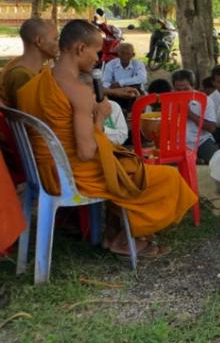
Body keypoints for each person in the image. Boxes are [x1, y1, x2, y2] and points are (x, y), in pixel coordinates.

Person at [17, 19, 196, 256]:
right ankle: (124, 238)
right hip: (72, 175)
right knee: (168, 176)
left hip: (44, 171)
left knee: (124, 163)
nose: (98, 59)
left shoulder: (35, 83)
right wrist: (99, 117)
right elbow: (86, 152)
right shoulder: (79, 92)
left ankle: (112, 233)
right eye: (96, 52)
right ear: (80, 48)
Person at [0, 17, 59, 108]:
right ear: (39, 41)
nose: (59, 44)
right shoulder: (20, 75)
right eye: (55, 39)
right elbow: (32, 112)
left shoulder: (28, 66)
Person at [171, 70, 218, 164]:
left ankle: (195, 159)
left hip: (201, 142)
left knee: (216, 163)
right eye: (178, 90)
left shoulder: (205, 100)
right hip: (176, 144)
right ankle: (195, 160)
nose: (182, 93)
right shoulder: (169, 101)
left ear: (193, 87)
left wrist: (189, 114)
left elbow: (212, 128)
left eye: (186, 89)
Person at [101, 43, 147, 111]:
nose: (124, 56)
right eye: (122, 53)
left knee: (135, 89)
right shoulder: (110, 64)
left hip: (134, 94)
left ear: (133, 55)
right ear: (118, 54)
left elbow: (142, 78)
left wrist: (120, 83)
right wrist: (115, 90)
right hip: (116, 94)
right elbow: (105, 82)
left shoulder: (138, 64)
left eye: (128, 54)